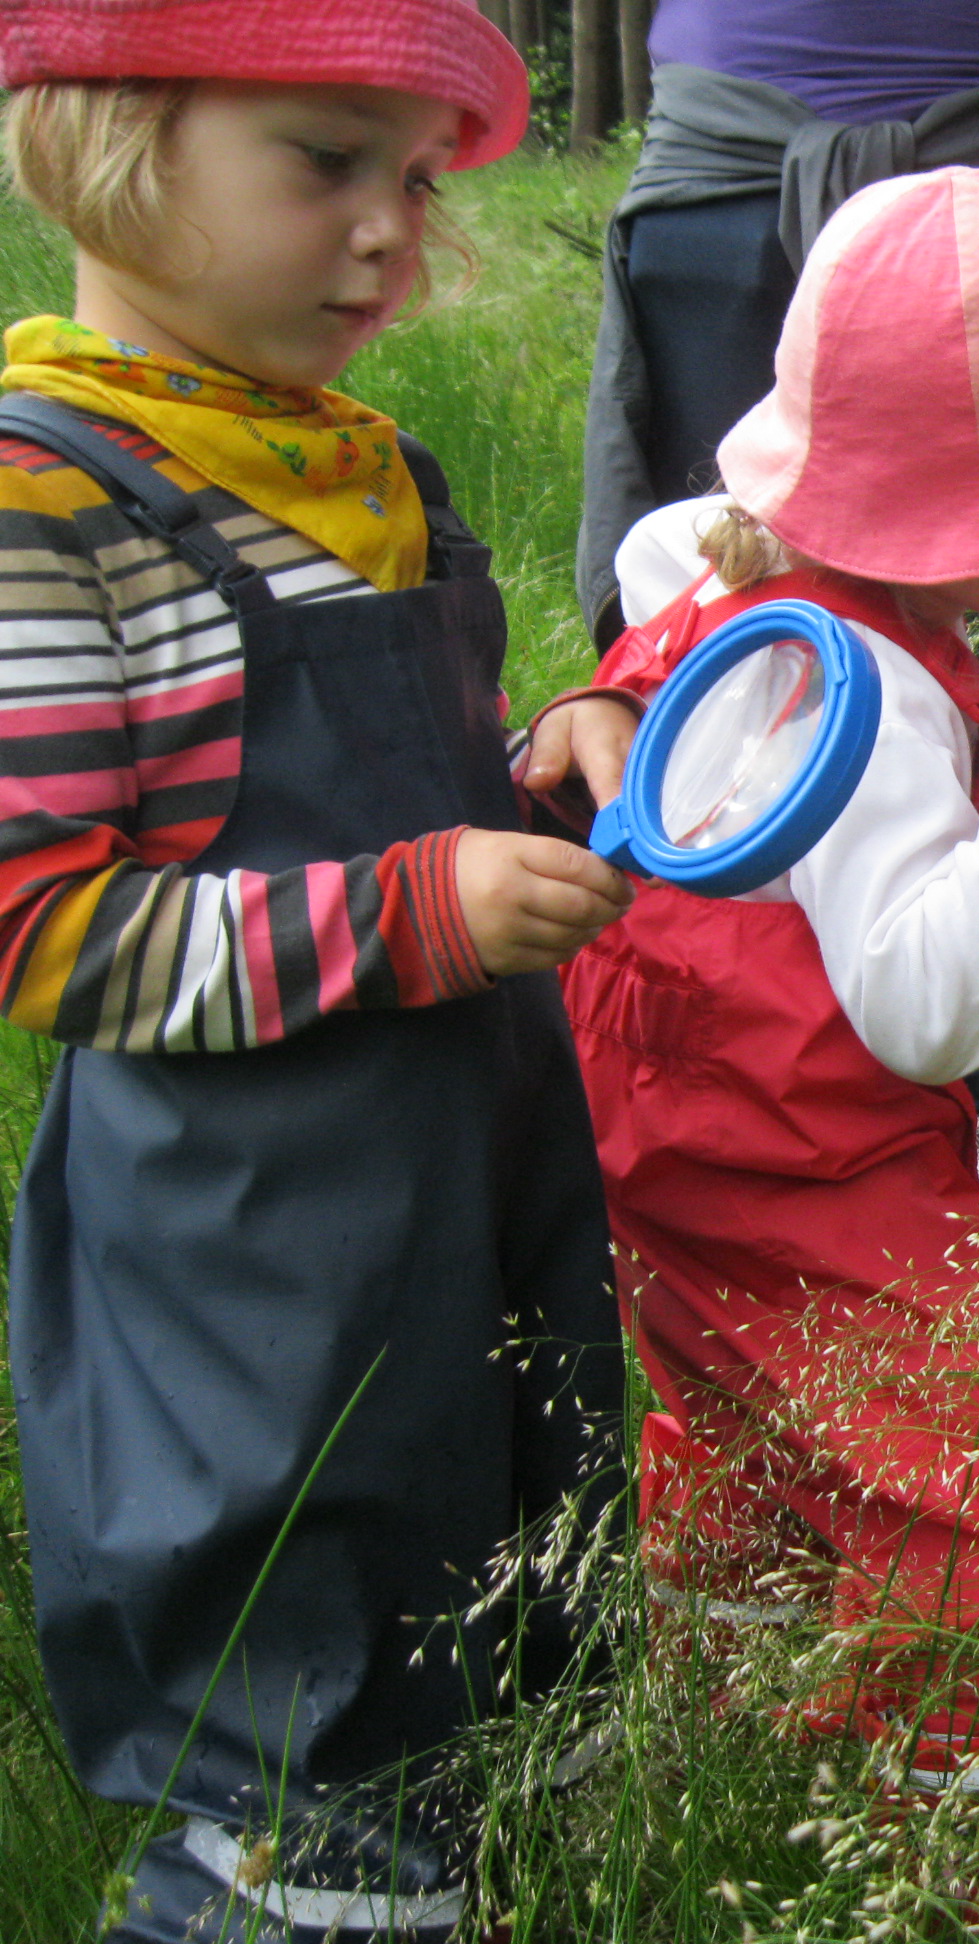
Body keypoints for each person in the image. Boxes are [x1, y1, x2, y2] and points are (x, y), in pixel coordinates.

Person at [0, 4, 636, 1937]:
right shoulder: (51, 496)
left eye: (417, 181)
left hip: (473, 1185)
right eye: (324, 161)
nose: (391, 233)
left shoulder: (373, 466)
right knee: (302, 1766)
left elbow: (415, 779)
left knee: (497, 1645)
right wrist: (415, 911)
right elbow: (42, 921)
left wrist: (562, 739)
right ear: (110, 142)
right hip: (253, 1269)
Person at [562, 167, 979, 1809]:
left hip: (663, 1135)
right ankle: (970, 1828)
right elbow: (924, 1004)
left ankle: (733, 1712)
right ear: (958, 522)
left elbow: (648, 564)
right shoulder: (864, 710)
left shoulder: (716, 568)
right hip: (807, 1160)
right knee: (965, 1494)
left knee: (740, 1418)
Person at [577, 0, 979, 650]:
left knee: (745, 596)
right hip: (742, 163)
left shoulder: (659, 550)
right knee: (735, 619)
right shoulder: (666, 552)